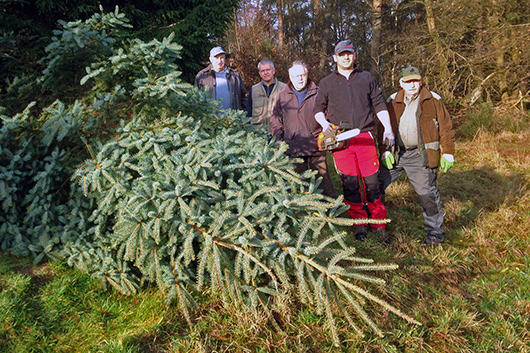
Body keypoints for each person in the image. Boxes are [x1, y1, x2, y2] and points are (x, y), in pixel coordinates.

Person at [313, 40, 395, 242]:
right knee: (350, 184)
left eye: (349, 53)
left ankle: (378, 223)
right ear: (335, 58)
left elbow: (379, 104)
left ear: (354, 55)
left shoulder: (366, 78)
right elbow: (317, 111)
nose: (346, 57)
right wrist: (325, 125)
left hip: (365, 136)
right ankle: (359, 224)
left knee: (373, 183)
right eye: (342, 54)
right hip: (341, 139)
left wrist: (389, 129)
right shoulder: (326, 83)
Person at [378, 66, 455, 245]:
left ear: (421, 82)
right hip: (397, 154)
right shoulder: (392, 101)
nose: (412, 85)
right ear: (401, 83)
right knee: (375, 186)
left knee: (427, 194)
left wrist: (448, 152)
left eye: (415, 81)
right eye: (408, 81)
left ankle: (435, 235)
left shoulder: (432, 100)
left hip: (421, 156)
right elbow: (382, 128)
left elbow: (446, 128)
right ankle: (376, 227)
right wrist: (384, 151)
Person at [271, 61, 338, 198]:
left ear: (307, 75)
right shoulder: (283, 96)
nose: (299, 79)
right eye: (296, 76)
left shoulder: (318, 92)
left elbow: (329, 115)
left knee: (324, 183)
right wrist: (277, 139)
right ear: (290, 77)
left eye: (302, 75)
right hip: (293, 147)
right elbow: (276, 120)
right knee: (297, 185)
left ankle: (332, 213)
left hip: (315, 147)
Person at [194, 46, 246, 111]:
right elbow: (196, 99)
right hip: (211, 119)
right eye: (216, 58)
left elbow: (243, 97)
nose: (219, 61)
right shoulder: (202, 76)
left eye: (222, 58)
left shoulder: (235, 75)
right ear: (210, 59)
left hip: (233, 119)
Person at [247, 59, 287, 128]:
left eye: (268, 70)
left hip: (278, 133)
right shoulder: (254, 90)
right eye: (263, 71)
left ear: (273, 71)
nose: (266, 73)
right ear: (260, 73)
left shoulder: (284, 89)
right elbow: (248, 114)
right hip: (257, 134)